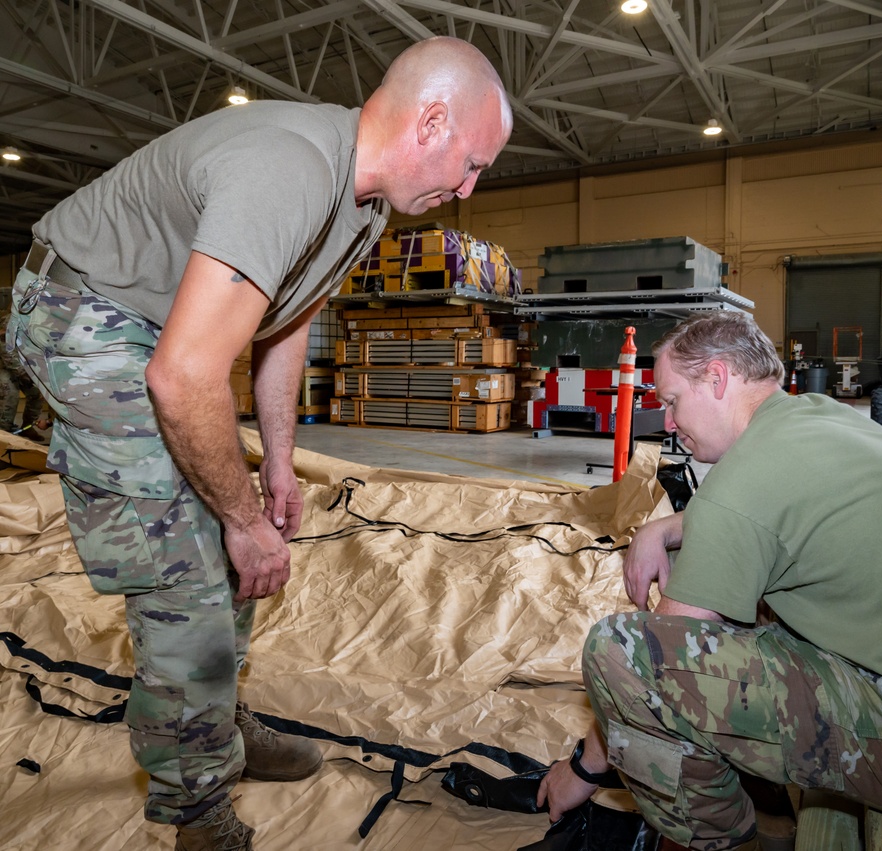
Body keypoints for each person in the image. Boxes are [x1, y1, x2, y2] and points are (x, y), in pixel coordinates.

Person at [7, 36, 512, 851]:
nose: (468, 187)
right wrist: (239, 520)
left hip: (159, 334)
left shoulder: (365, 201)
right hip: (86, 316)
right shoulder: (291, 168)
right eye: (473, 162)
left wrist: (274, 465)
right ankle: (198, 810)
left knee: (239, 530)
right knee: (188, 568)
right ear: (430, 121)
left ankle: (218, 723)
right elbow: (182, 377)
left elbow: (285, 330)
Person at [538, 311, 882, 851]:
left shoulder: (743, 481)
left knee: (621, 653)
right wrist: (666, 526)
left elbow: (654, 667)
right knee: (741, 601)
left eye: (671, 401)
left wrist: (584, 770)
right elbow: (780, 518)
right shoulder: (816, 418)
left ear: (716, 379)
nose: (666, 422)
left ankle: (721, 842)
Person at [0, 306, 50, 441]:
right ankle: (4, 432)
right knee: (9, 394)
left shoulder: (38, 321)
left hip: (25, 367)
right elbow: (8, 356)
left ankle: (28, 427)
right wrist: (29, 376)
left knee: (37, 393)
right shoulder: (9, 322)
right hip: (5, 367)